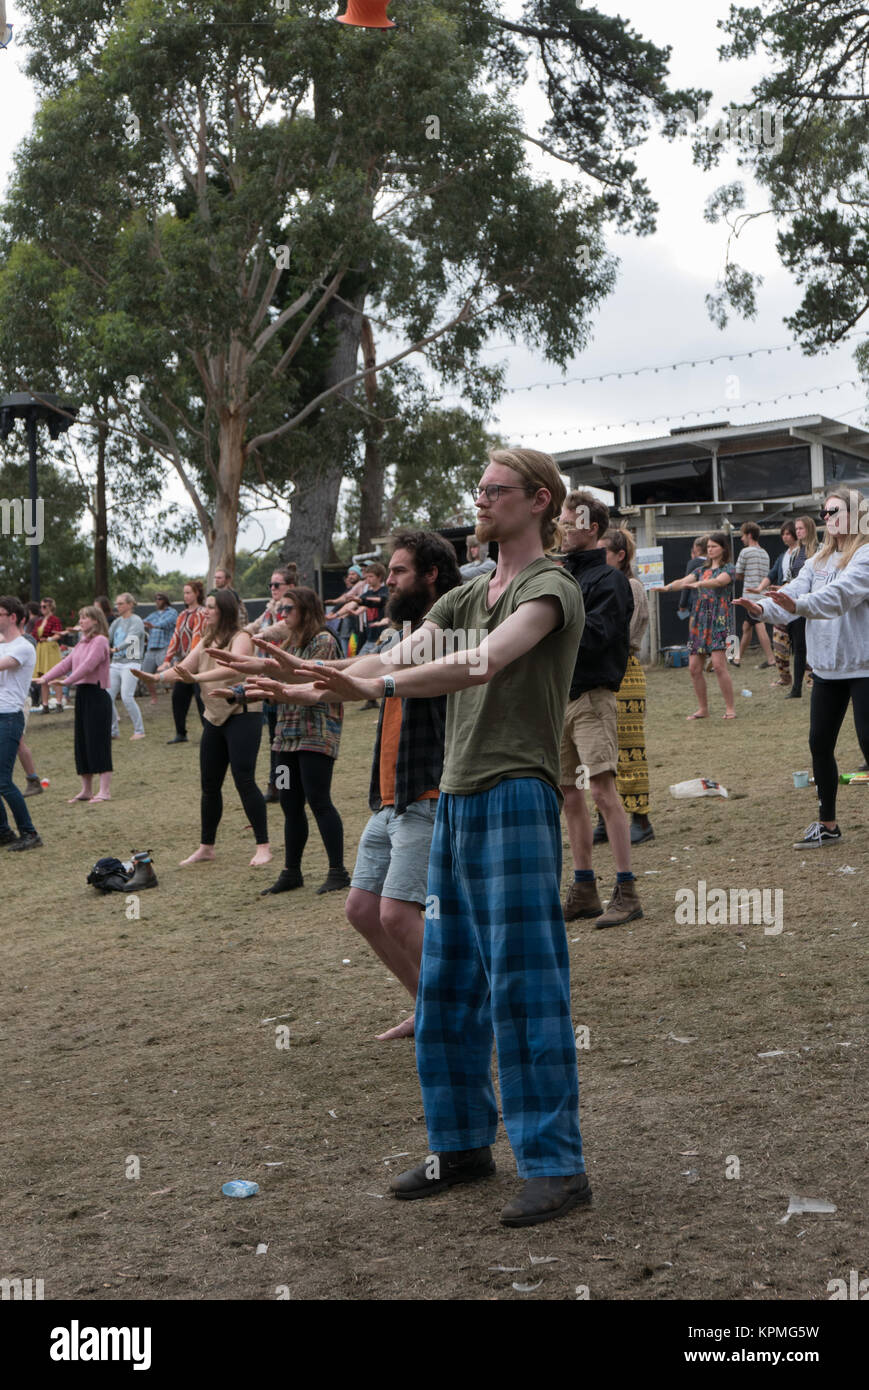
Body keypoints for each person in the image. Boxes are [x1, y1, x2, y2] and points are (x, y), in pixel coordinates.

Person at [296, 448, 591, 1229]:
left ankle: (556, 1165)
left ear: (536, 500)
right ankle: (460, 1145)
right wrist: (301, 679)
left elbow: (482, 662)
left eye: (494, 491)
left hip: (516, 798)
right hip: (455, 802)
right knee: (447, 985)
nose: (480, 500)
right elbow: (397, 655)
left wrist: (376, 683)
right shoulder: (466, 592)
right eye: (479, 490)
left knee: (525, 987)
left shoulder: (547, 588)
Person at [263, 532, 462, 1038]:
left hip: (426, 792)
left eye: (397, 572)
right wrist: (294, 677)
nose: (386, 581)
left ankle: (460, 1006)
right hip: (390, 795)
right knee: (361, 909)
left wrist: (303, 677)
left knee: (397, 914)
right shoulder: (403, 631)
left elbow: (377, 669)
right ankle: (427, 1005)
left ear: (430, 574)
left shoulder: (449, 632)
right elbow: (360, 667)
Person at [739, 489, 869, 847]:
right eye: (823, 512)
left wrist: (796, 602)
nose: (825, 518)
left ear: (856, 515)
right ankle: (828, 826)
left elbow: (840, 596)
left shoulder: (865, 555)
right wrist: (762, 609)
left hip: (864, 667)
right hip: (827, 668)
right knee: (819, 744)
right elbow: (791, 598)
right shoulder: (817, 561)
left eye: (833, 511)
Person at [209, 588, 348, 894]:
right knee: (289, 802)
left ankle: (337, 871)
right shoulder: (290, 643)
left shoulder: (323, 641)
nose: (283, 615)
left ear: (306, 611)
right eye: (282, 609)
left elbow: (303, 681)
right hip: (285, 739)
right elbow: (274, 679)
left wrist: (260, 680)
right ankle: (292, 872)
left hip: (315, 735)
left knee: (318, 800)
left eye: (289, 609)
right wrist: (239, 693)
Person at [134, 589, 271, 868]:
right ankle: (206, 847)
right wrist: (156, 677)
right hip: (214, 715)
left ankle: (263, 846)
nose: (205, 611)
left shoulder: (241, 637)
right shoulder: (207, 638)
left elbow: (233, 669)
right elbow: (184, 668)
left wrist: (196, 677)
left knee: (244, 779)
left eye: (210, 607)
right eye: (205, 606)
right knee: (209, 784)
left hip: (243, 713)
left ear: (225, 611)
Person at [558, 492, 642, 928]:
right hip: (563, 701)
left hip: (592, 700)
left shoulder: (609, 582)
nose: (561, 528)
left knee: (603, 793)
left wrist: (548, 623)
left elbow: (596, 636)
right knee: (570, 794)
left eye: (569, 521)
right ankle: (584, 887)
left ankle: (627, 891)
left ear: (592, 528)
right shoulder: (563, 576)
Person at [596, 528, 654, 845]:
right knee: (599, 748)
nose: (598, 556)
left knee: (629, 748)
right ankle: (606, 817)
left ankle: (640, 818)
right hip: (602, 672)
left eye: (603, 551)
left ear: (620, 555)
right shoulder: (600, 585)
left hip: (623, 670)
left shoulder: (632, 586)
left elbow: (623, 635)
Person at [654, 531, 737, 720]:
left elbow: (718, 582)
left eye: (714, 546)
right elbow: (683, 582)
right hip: (700, 619)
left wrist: (699, 584)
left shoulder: (729, 568)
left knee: (718, 665)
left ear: (723, 549)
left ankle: (730, 708)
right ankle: (703, 709)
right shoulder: (700, 569)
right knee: (693, 667)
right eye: (708, 547)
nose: (710, 550)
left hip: (719, 619)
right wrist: (666, 588)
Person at [37, 606, 113, 803]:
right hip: (83, 695)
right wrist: (44, 678)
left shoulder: (100, 641)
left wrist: (67, 681)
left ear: (96, 621)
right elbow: (66, 663)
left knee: (98, 742)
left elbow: (88, 665)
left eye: (85, 618)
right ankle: (86, 789)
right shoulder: (82, 643)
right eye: (80, 617)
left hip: (97, 695)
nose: (81, 621)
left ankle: (104, 791)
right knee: (83, 742)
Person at [243, 565, 297, 801]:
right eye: (271, 585)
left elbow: (283, 628)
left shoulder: (292, 609)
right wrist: (237, 635)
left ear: (290, 587)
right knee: (275, 737)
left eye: (277, 585)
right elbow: (253, 627)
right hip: (269, 679)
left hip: (287, 679)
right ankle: (278, 785)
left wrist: (262, 635)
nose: (273, 589)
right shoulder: (269, 610)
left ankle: (285, 785)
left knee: (286, 736)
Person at [0, 595, 43, 850]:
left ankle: (29, 833)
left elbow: (4, 665)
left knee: (3, 780)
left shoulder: (24, 646)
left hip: (9, 716)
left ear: (12, 617)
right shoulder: (3, 643)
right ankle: (4, 832)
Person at [159, 581, 206, 743]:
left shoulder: (202, 613)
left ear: (197, 594)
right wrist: (167, 660)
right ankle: (181, 733)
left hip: (198, 664)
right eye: (184, 593)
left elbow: (198, 636)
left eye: (188, 593)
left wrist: (190, 659)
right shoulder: (182, 615)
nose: (185, 596)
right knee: (178, 697)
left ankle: (209, 733)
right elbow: (175, 638)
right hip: (184, 663)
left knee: (202, 698)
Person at [758, 522, 798, 688]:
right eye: (783, 534)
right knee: (779, 642)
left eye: (788, 534)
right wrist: (759, 588)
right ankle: (784, 676)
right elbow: (772, 573)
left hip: (797, 602)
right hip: (782, 602)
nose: (785, 537)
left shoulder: (804, 554)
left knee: (803, 644)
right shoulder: (783, 556)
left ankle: (810, 678)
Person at [782, 516, 818, 699]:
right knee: (798, 647)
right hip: (796, 604)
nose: (798, 532)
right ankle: (797, 687)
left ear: (809, 529)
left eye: (801, 528)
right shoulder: (796, 552)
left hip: (811, 604)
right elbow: (792, 577)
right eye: (796, 528)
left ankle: (815, 680)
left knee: (811, 645)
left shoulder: (817, 551)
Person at [734, 522, 774, 669]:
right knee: (747, 626)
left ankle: (771, 659)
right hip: (763, 595)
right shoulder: (765, 553)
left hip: (751, 597)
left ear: (749, 535)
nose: (741, 539)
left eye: (742, 535)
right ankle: (737, 659)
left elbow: (738, 574)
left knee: (759, 624)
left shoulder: (745, 552)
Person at [108, 593, 146, 740]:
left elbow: (132, 637)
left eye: (121, 603)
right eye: (117, 604)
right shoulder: (117, 622)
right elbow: (107, 636)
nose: (118, 606)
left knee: (126, 696)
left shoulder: (136, 621)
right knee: (107, 697)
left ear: (130, 604)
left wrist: (116, 649)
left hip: (131, 662)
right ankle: (113, 731)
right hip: (116, 663)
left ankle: (139, 730)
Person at [141, 593, 178, 702]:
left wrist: (154, 625)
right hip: (151, 648)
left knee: (170, 674)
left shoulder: (172, 612)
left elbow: (166, 623)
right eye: (156, 599)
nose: (157, 601)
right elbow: (142, 622)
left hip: (165, 647)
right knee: (145, 674)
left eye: (159, 599)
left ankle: (177, 694)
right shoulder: (153, 614)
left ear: (165, 600)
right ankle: (154, 697)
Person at [31, 597, 65, 712]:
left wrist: (49, 639)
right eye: (41, 607)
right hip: (41, 649)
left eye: (44, 606)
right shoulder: (39, 621)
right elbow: (34, 634)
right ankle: (45, 704)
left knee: (56, 675)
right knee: (43, 677)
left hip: (51, 648)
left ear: (51, 607)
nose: (42, 609)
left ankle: (59, 703)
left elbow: (58, 634)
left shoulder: (55, 620)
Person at [676, 537, 707, 622]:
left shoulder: (694, 563)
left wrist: (682, 604)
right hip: (715, 604)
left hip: (697, 603)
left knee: (696, 632)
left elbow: (686, 585)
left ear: (698, 548)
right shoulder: (715, 561)